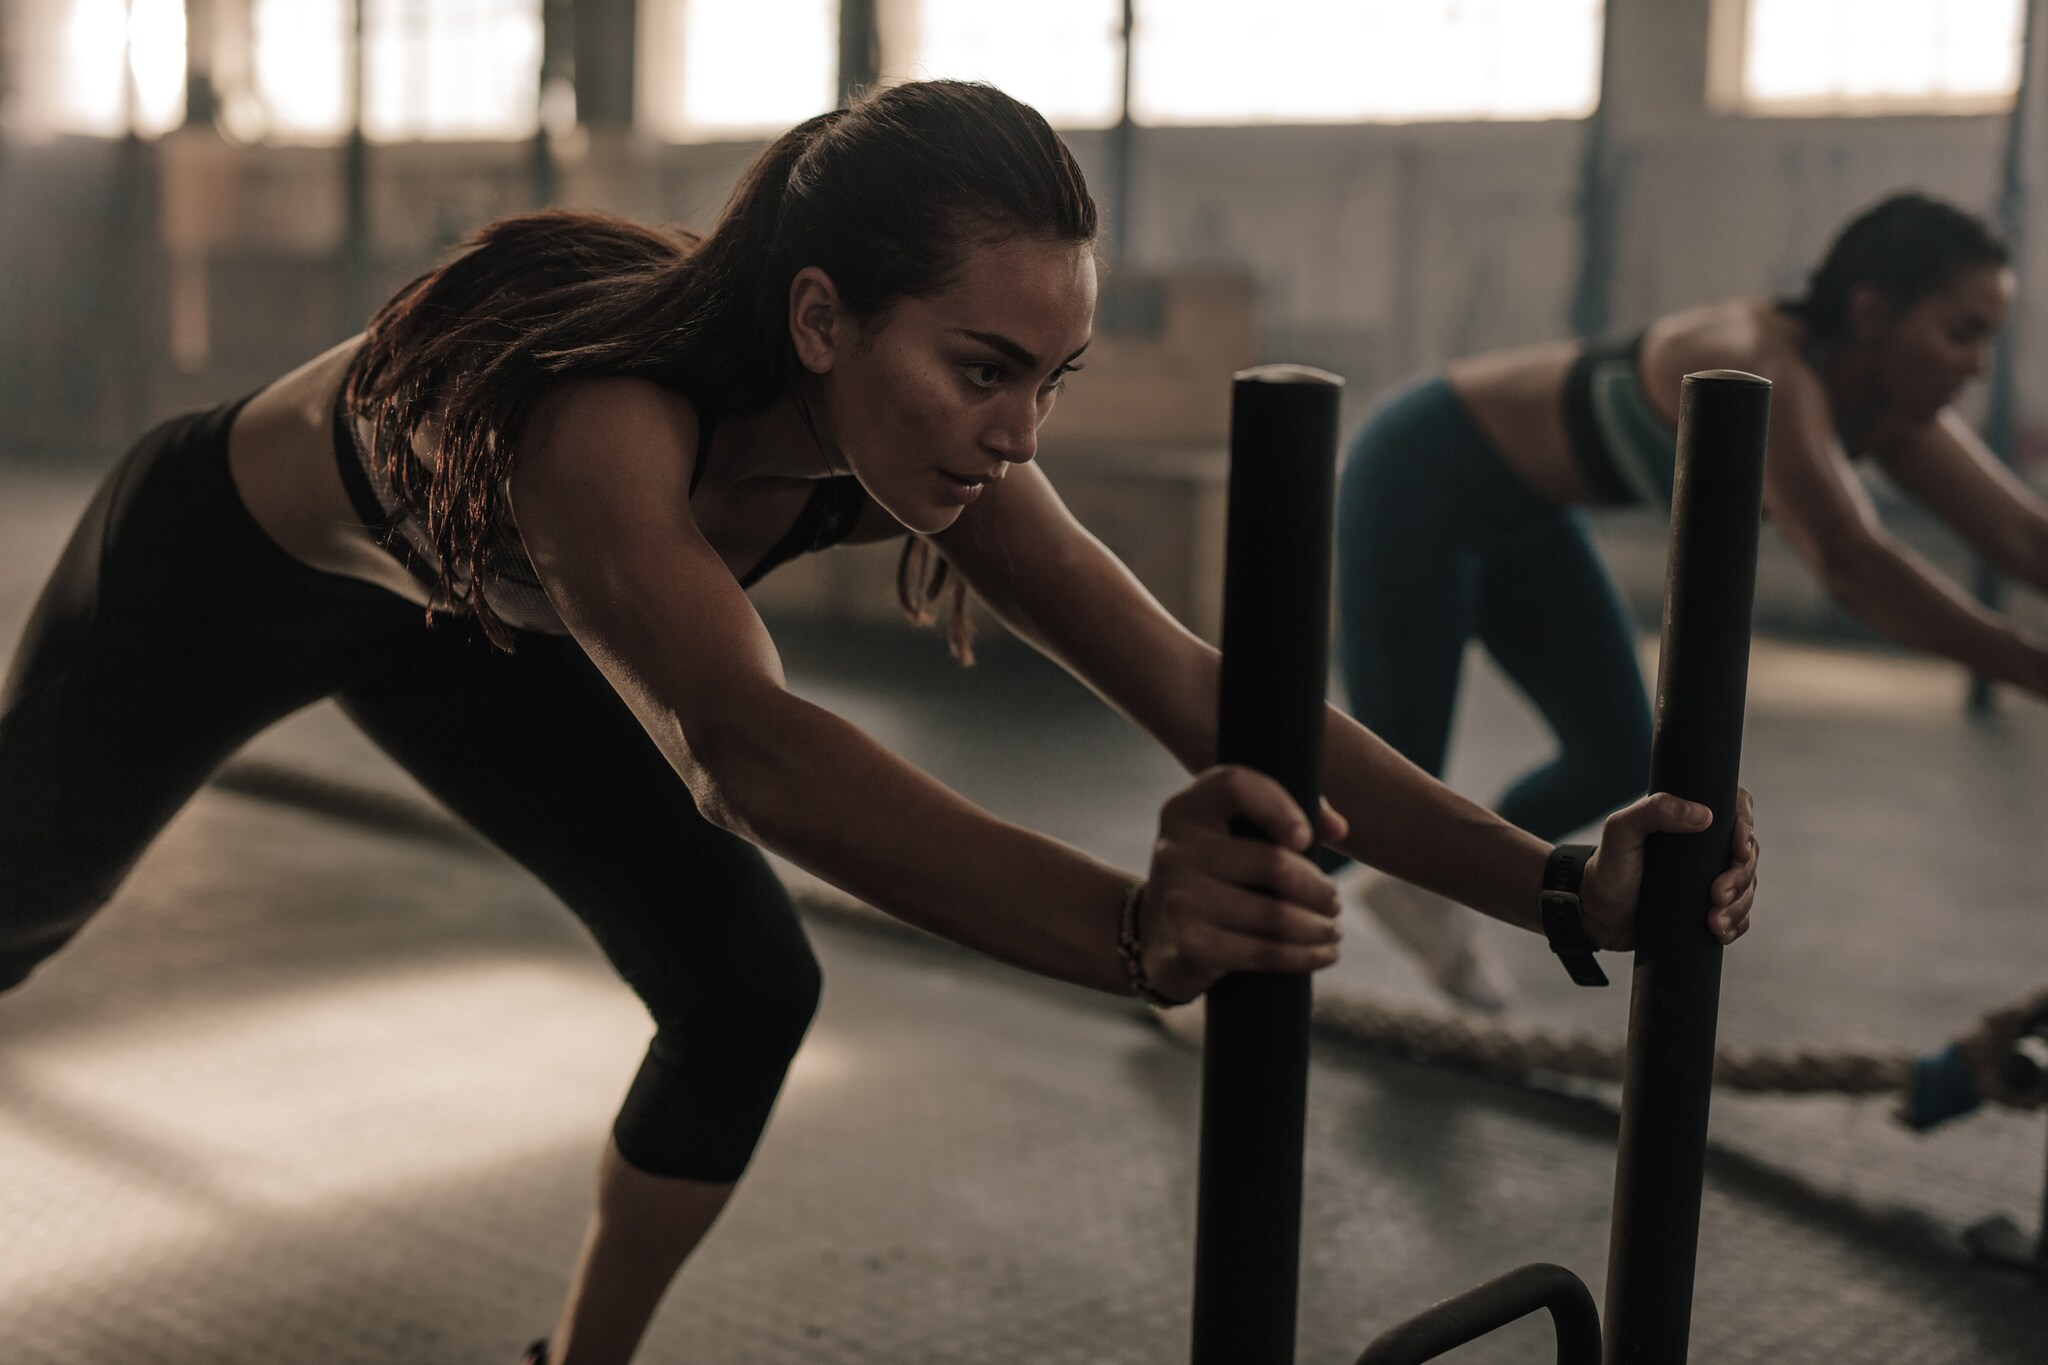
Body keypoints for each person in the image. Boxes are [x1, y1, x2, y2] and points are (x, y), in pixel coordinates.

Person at [0, 81, 1756, 1365]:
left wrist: (1550, 889)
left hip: (479, 619)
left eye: (1043, 384)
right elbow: (742, 750)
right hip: (222, 564)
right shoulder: (604, 425)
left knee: (745, 987)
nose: (1014, 434)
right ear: (820, 317)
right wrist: (1133, 932)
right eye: (980, 368)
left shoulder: (923, 446)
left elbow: (1209, 692)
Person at [1330, 190, 2014, 1013]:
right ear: (1871, 311)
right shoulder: (1759, 356)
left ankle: (1436, 880)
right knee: (1389, 782)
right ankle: (1216, 956)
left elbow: (2031, 541)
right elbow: (1853, 562)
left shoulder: (1886, 410)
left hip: (1529, 519)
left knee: (1617, 753)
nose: (1977, 364)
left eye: (1989, 338)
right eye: (1961, 331)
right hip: (1418, 475)